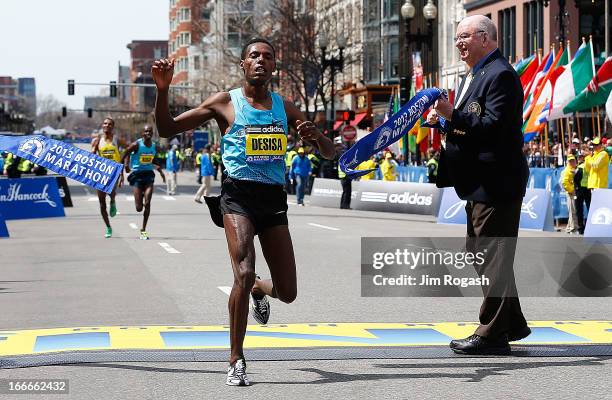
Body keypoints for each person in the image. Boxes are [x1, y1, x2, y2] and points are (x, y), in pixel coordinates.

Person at [152, 37, 335, 386]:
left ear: (274, 66)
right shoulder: (225, 102)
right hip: (237, 197)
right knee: (243, 268)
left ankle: (259, 291)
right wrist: (163, 91)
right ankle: (236, 359)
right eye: (254, 56)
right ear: (243, 65)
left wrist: (316, 136)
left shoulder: (287, 107)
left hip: (273, 201)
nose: (261, 61)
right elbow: (167, 128)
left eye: (268, 56)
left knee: (288, 292)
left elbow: (329, 153)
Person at [428, 15, 530, 354]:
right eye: (457, 37)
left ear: (485, 38)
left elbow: (494, 127)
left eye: (464, 37)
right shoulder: (479, 74)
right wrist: (446, 122)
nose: (459, 43)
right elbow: (471, 128)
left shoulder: (500, 75)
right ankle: (510, 322)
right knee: (482, 252)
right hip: (480, 182)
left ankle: (491, 332)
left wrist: (451, 115)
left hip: (497, 182)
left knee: (492, 255)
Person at [121, 125, 166, 240]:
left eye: (150, 131)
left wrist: (161, 172)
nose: (148, 133)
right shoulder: (137, 144)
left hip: (148, 176)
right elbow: (126, 152)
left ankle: (143, 229)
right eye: (146, 131)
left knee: (148, 202)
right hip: (137, 176)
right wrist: (124, 166)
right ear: (142, 133)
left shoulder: (154, 146)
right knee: (139, 208)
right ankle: (140, 195)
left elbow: (153, 160)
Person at [91, 117, 125, 238]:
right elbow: (91, 157)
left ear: (113, 127)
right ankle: (108, 227)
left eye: (110, 124)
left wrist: (123, 170)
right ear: (102, 125)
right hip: (100, 173)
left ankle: (113, 201)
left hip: (113, 173)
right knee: (101, 203)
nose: (107, 125)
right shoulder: (97, 140)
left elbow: (128, 150)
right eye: (105, 123)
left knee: (111, 192)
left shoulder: (117, 140)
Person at [573, 153, 590, 234]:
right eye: (579, 157)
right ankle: (589, 226)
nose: (579, 158)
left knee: (579, 210)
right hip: (587, 189)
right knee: (589, 208)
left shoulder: (579, 168)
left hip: (580, 190)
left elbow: (575, 179)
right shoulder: (588, 167)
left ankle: (581, 228)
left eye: (580, 157)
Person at [560, 155, 578, 234]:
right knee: (572, 210)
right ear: (567, 162)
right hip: (571, 193)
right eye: (570, 161)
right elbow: (564, 182)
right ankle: (572, 228)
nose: (572, 162)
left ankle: (569, 227)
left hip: (573, 192)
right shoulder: (567, 170)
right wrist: (571, 190)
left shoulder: (573, 169)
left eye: (573, 160)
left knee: (573, 210)